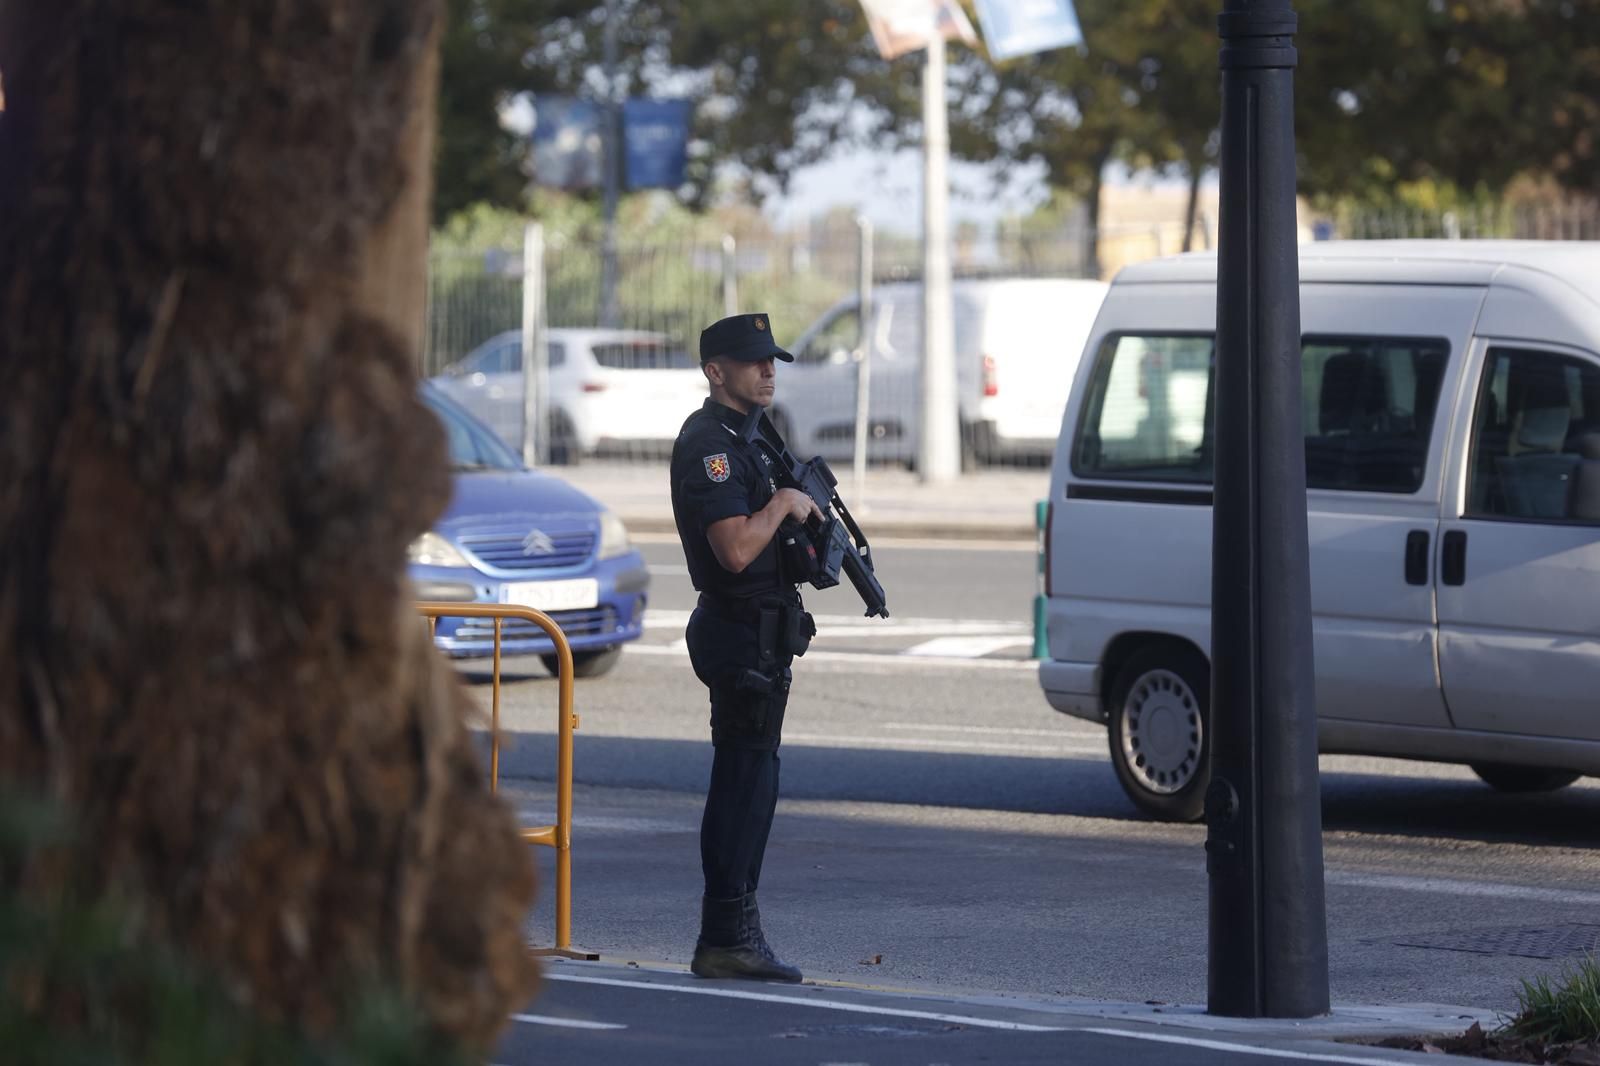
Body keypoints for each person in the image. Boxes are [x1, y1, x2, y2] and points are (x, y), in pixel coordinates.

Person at [670, 312, 822, 983]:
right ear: (716, 371)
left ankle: (736, 932)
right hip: (736, 633)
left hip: (765, 635)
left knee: (756, 784)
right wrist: (782, 504)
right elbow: (733, 549)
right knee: (740, 786)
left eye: (772, 360)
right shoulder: (710, 443)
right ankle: (726, 936)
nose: (768, 370)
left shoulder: (754, 437)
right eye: (754, 361)